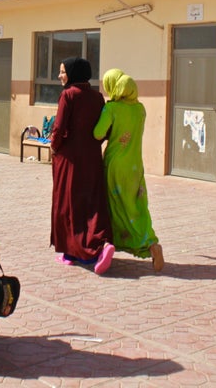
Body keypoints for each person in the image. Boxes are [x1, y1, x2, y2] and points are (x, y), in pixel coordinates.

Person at [94, 69, 164, 272]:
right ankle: (150, 243)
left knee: (116, 208)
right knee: (137, 207)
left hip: (115, 166)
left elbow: (98, 134)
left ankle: (109, 244)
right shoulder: (141, 109)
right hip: (135, 167)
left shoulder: (112, 109)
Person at [50, 57, 114, 275]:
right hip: (92, 158)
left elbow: (59, 128)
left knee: (68, 205)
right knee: (90, 204)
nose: (59, 76)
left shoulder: (68, 95)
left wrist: (54, 147)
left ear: (73, 73)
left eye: (62, 72)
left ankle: (75, 252)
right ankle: (99, 245)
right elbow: (104, 130)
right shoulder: (97, 97)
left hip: (70, 160)